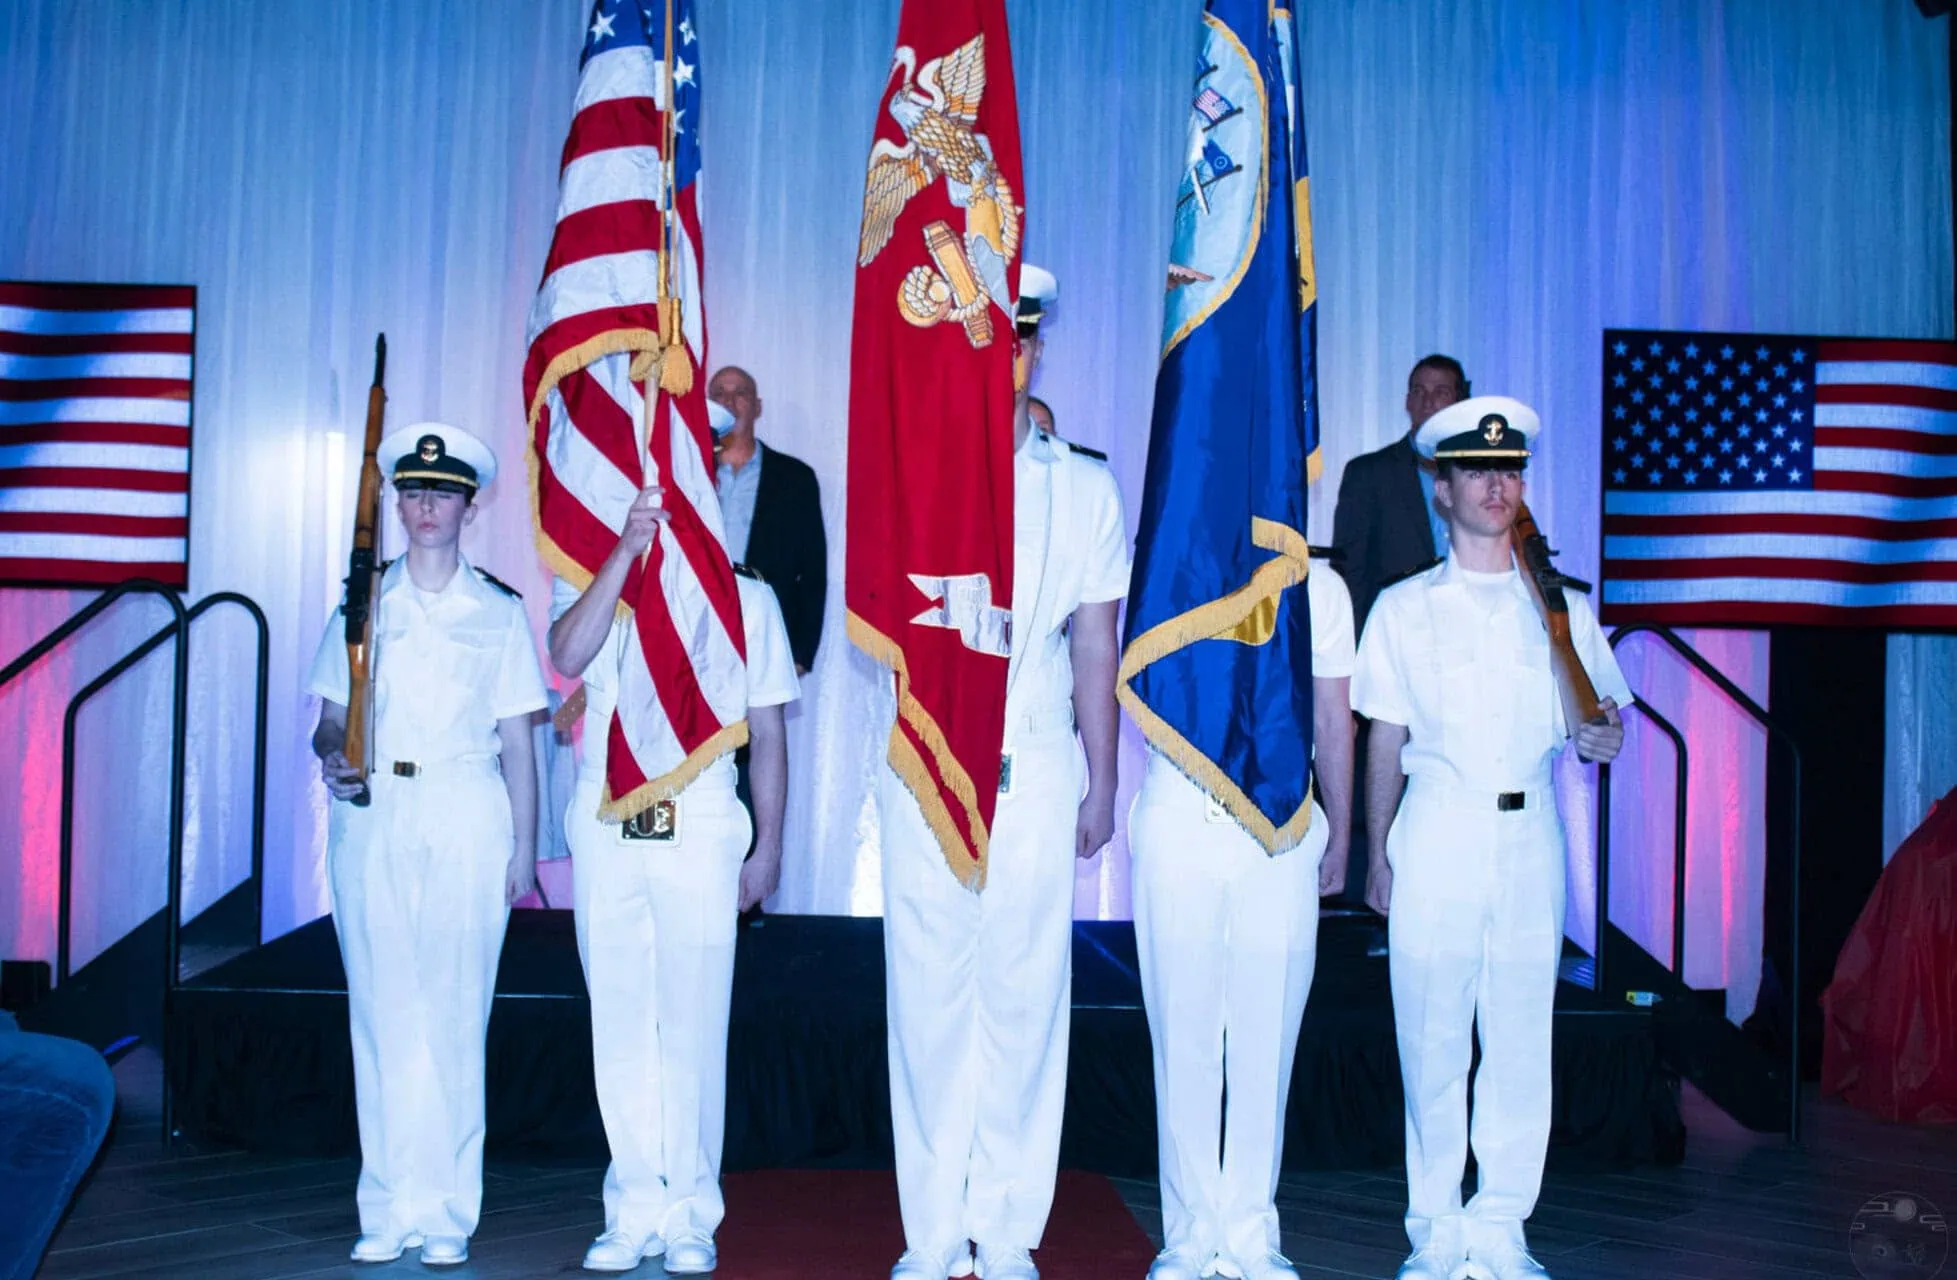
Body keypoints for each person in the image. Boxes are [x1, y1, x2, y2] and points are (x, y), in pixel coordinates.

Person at [880, 265, 1129, 1280]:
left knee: (1025, 1001)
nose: (1005, 353)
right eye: (987, 337)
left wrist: (1103, 782)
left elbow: (1094, 644)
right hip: (927, 769)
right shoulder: (911, 470)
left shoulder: (1084, 484)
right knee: (929, 1001)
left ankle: (1006, 1228)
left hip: (1033, 767)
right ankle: (933, 1232)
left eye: (1019, 339)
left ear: (1032, 348)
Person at [1350, 397, 1630, 1280]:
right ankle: (1434, 1229)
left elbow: (1601, 715)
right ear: (1441, 488)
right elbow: (1382, 740)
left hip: (1529, 834)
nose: (1495, 484)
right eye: (1475, 470)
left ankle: (1501, 1225)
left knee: (1517, 1037)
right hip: (1436, 827)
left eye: (1508, 470)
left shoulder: (1558, 607)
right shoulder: (1402, 607)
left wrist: (1602, 735)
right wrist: (1377, 854)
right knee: (1430, 1035)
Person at [308, 423, 548, 1268]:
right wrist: (332, 755)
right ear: (396, 503)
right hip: (374, 818)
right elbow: (331, 716)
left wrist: (522, 850)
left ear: (469, 506)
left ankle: (447, 1208)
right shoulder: (362, 603)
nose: (424, 508)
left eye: (441, 494)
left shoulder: (499, 610)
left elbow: (520, 743)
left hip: (464, 810)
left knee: (452, 1013)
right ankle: (387, 1203)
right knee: (381, 1013)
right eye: (411, 492)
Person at [547, 477, 798, 1275]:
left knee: (691, 1023)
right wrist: (623, 551)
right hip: (606, 814)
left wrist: (767, 849)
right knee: (618, 1020)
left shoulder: (746, 596)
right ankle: (631, 1207)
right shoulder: (588, 568)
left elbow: (768, 730)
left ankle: (690, 1211)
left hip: (701, 813)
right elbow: (564, 656)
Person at [1130, 553, 1356, 1280]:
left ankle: (1252, 1230)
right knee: (1184, 1033)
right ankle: (1190, 1233)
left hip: (1279, 822)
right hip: (1178, 811)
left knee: (1267, 1037)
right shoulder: (1162, 574)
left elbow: (1332, 714)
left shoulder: (1318, 585)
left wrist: (1342, 833)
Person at [1329, 356, 1471, 911]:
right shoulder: (1369, 474)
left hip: (1466, 668)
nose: (1430, 401)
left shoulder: (1486, 479)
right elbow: (1351, 580)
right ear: (1407, 402)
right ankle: (1381, 904)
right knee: (1386, 786)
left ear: (1461, 399)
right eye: (1420, 391)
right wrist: (1355, 680)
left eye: (1442, 391)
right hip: (1395, 662)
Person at [707, 365, 828, 675]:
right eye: (718, 394)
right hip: (699, 632)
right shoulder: (689, 473)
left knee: (759, 725)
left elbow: (813, 573)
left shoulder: (794, 479)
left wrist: (801, 654)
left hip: (765, 638)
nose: (729, 402)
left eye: (740, 394)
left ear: (757, 406)